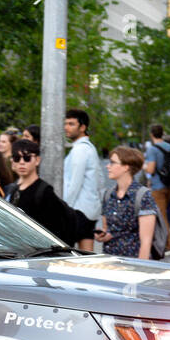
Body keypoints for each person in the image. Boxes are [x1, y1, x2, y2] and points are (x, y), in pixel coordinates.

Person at [5, 139, 88, 244]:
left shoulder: (44, 192)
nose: (22, 162)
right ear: (12, 160)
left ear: (37, 160)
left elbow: (57, 230)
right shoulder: (10, 189)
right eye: (17, 158)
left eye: (27, 158)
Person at [97, 146, 159, 259]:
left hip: (132, 262)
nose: (108, 166)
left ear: (126, 167)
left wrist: (141, 268)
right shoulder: (108, 194)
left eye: (112, 163)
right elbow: (107, 229)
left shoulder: (142, 196)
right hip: (110, 262)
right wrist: (103, 235)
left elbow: (146, 241)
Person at [62, 108, 102, 252]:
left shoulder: (81, 150)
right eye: (65, 123)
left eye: (71, 124)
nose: (66, 127)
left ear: (83, 127)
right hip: (87, 209)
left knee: (67, 255)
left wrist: (64, 209)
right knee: (86, 256)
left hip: (78, 210)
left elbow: (74, 184)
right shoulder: (88, 148)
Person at [141, 124, 170, 255]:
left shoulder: (152, 149)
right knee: (164, 213)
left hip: (158, 186)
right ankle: (160, 241)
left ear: (151, 134)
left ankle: (168, 245)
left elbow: (150, 169)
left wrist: (143, 165)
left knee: (162, 216)